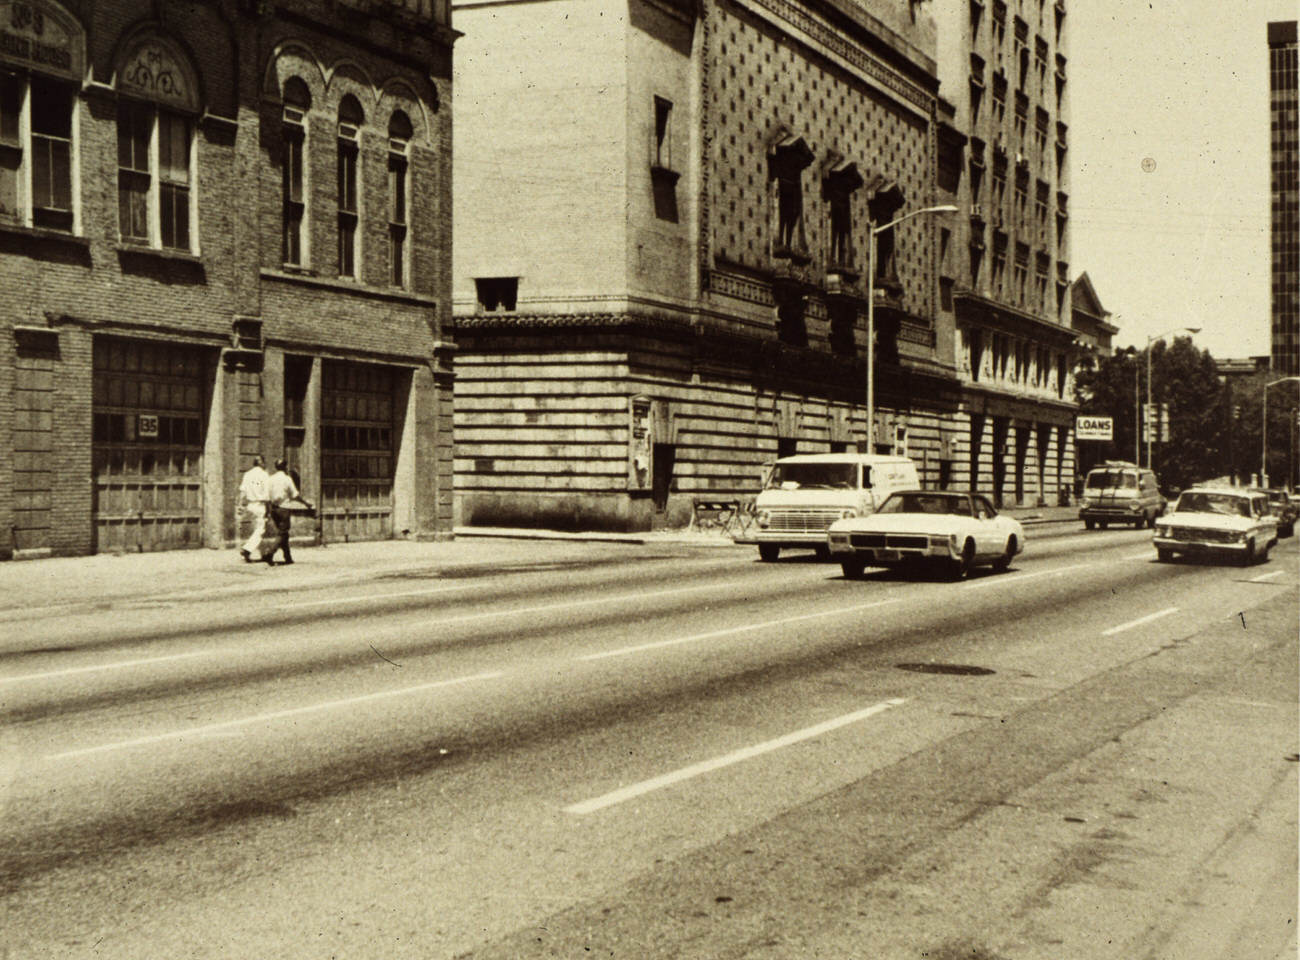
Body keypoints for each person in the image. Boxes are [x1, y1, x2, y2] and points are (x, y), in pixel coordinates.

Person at [264, 457, 301, 565]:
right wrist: (305, 503)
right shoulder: (287, 479)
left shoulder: (270, 479)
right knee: (283, 533)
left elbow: (266, 496)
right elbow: (295, 495)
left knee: (283, 533)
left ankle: (288, 557)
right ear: (285, 467)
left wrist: (268, 510)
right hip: (284, 509)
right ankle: (270, 553)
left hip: (273, 509)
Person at [237, 454, 270, 563]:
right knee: (261, 530)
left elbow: (243, 491)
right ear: (262, 463)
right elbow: (267, 493)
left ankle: (263, 554)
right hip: (260, 505)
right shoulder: (264, 475)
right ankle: (247, 549)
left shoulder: (247, 474)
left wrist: (241, 504)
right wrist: (268, 508)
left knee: (256, 530)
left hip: (250, 505)